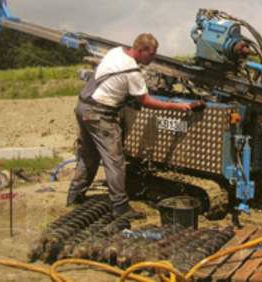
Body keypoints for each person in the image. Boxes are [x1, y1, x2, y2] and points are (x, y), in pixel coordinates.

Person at [67, 33, 205, 217]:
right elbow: (146, 101)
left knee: (88, 155)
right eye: (151, 54)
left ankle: (74, 196)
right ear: (141, 50)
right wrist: (178, 106)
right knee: (115, 161)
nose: (153, 58)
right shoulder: (132, 72)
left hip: (83, 106)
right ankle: (121, 207)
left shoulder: (116, 52)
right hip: (100, 114)